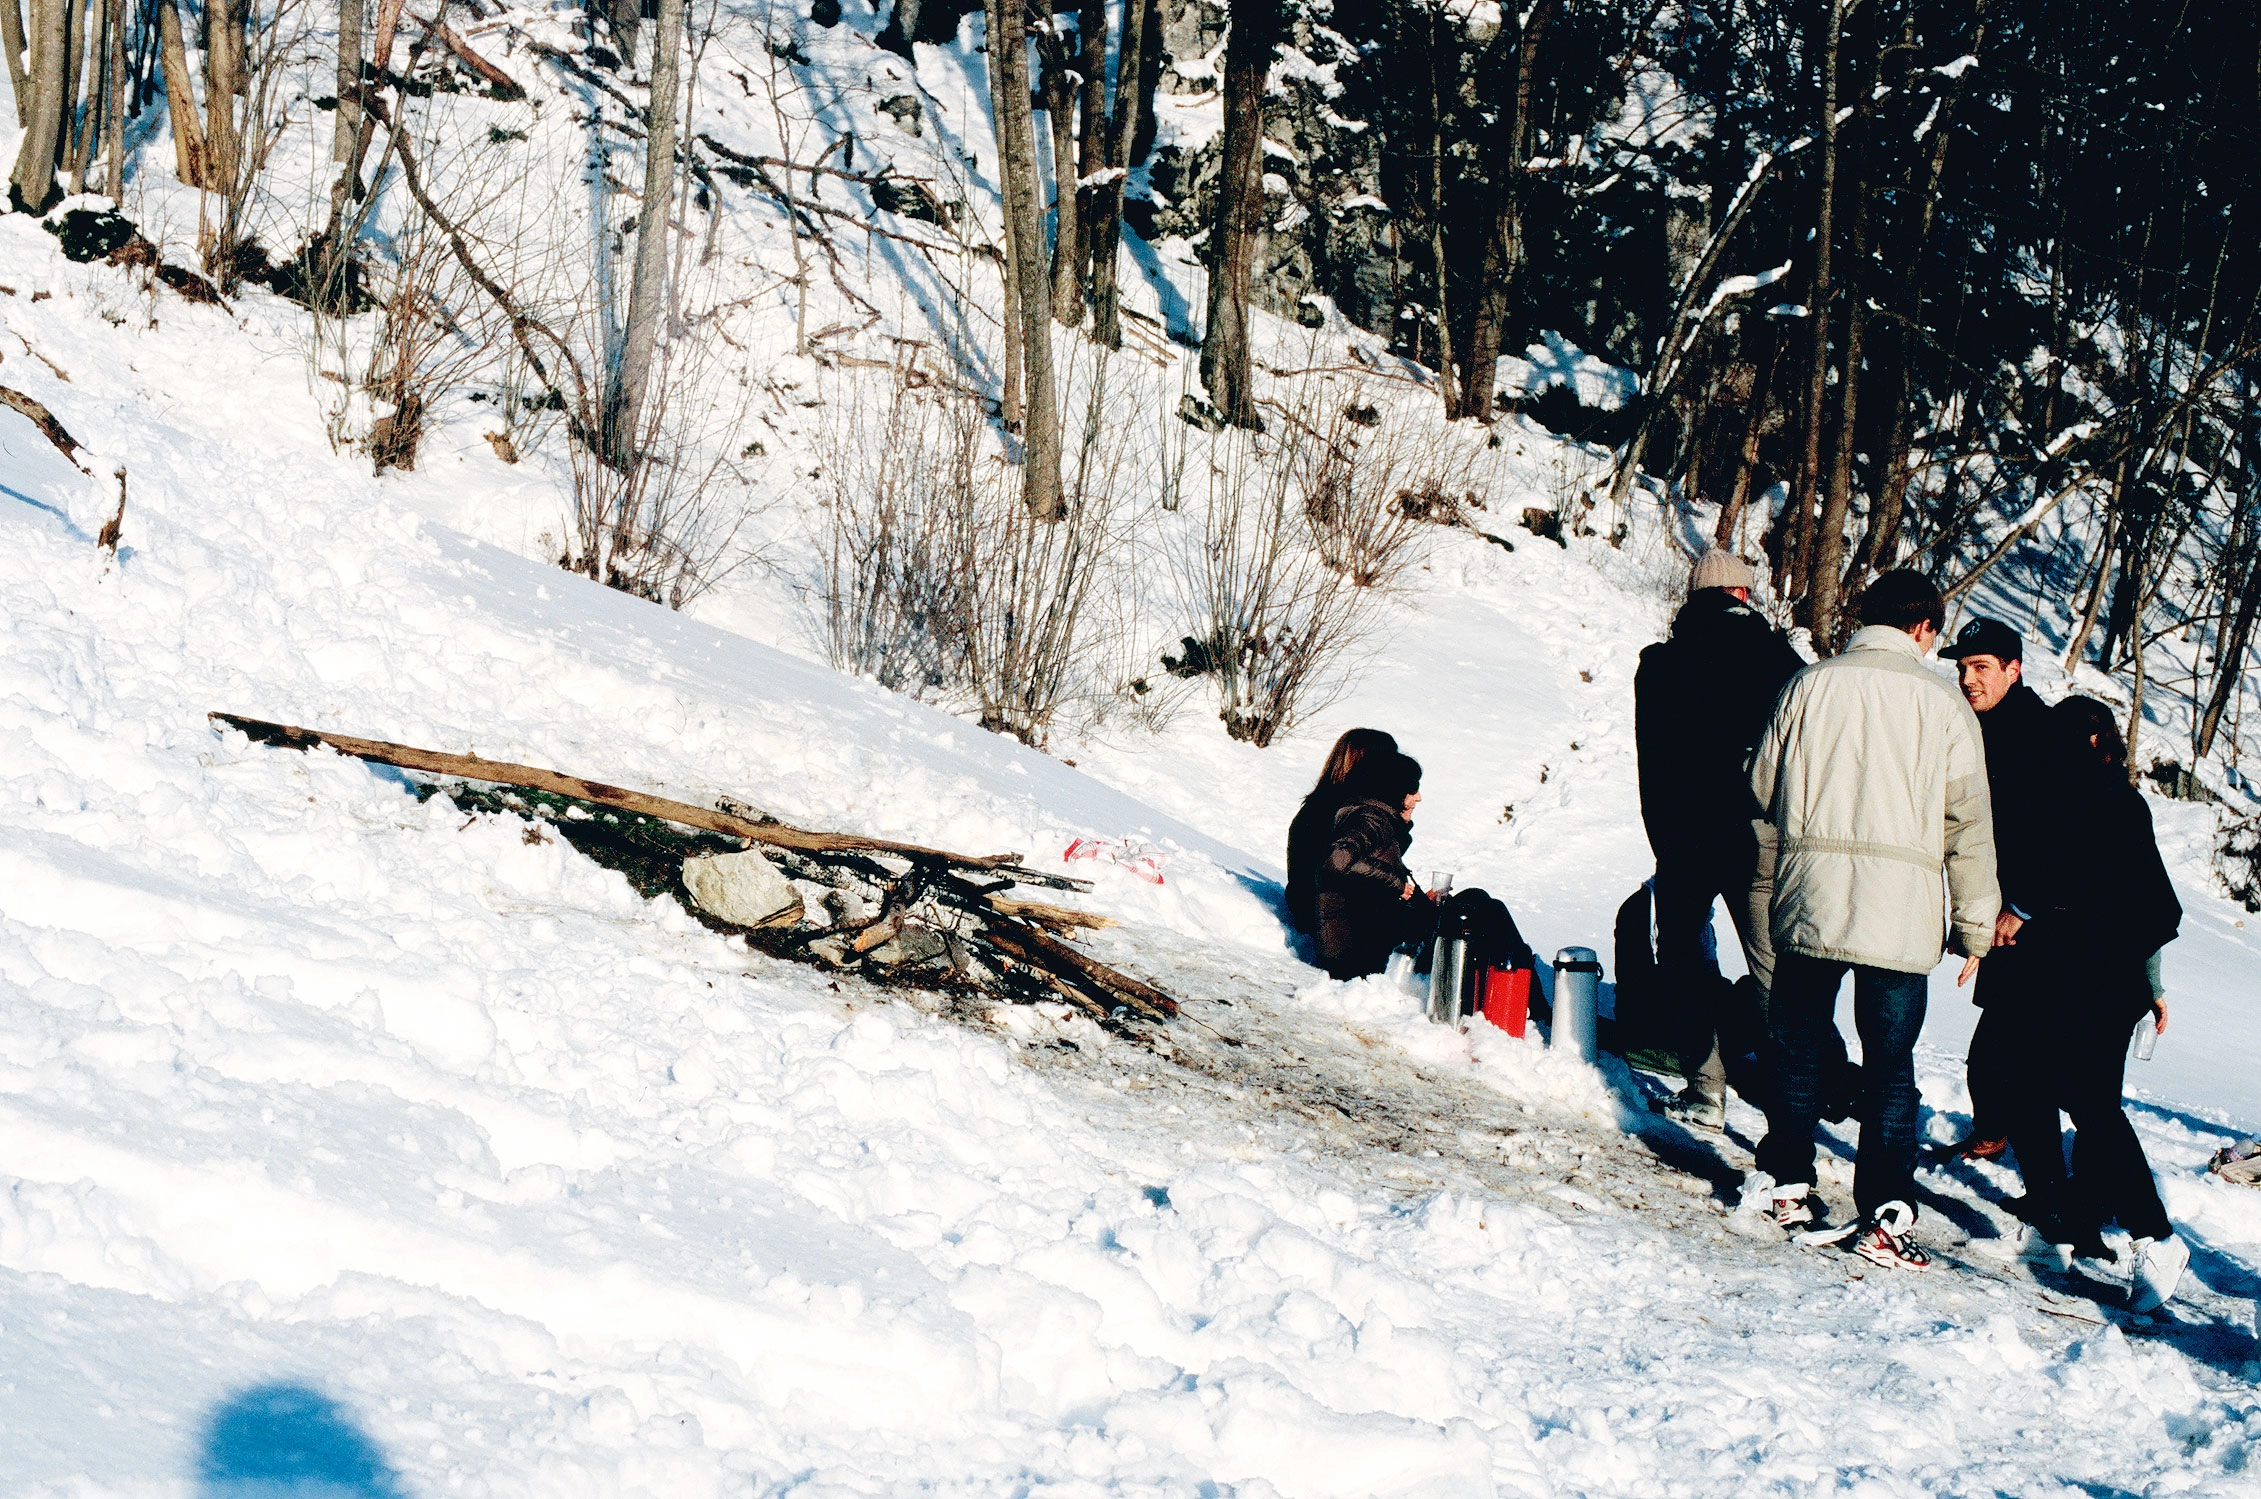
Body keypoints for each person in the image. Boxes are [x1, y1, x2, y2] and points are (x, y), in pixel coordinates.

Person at [1742, 569, 1999, 1271]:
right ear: (1922, 629)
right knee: (1890, 1065)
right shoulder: (1944, 706)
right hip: (1900, 911)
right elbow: (1967, 825)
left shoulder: (1807, 685)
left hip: (1811, 897)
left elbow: (1760, 785)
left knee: (1795, 1047)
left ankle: (1789, 1181)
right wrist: (1975, 927)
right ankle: (1885, 1207)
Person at [2004, 696, 2187, 1312]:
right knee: (2029, 1084)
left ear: (2097, 745)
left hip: (2100, 979)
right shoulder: (2078, 794)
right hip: (2069, 971)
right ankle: (2058, 1220)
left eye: (2073, 740)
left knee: (2089, 1104)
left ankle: (2156, 1235)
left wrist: (2025, 909)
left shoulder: (2107, 800)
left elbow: (2113, 893)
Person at [1634, 548, 1809, 1130]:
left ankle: (1706, 1091)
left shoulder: (1660, 664)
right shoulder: (1780, 660)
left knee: (1686, 960)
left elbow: (1651, 763)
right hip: (1756, 832)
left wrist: (1663, 836)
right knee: (1773, 965)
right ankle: (1796, 1092)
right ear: (1742, 596)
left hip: (1683, 835)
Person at [1937, 618, 2071, 1161]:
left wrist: (2021, 907)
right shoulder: (1975, 725)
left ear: (2013, 671)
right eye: (1963, 668)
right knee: (2006, 1045)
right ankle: (2002, 1134)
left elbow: (2062, 836)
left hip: (2045, 921)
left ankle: (2057, 1175)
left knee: (2014, 1051)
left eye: (1982, 668)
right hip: (2002, 912)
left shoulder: (2040, 734)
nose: (1969, 679)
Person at [1315, 751, 1436, 980]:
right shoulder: (1370, 819)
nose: (1418, 798)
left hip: (1362, 936)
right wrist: (1396, 883)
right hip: (1351, 950)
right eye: (1412, 790)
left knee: (1470, 907)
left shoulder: (1378, 819)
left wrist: (1418, 900)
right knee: (1474, 909)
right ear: (1395, 789)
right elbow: (1337, 859)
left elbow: (1374, 877)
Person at [1286, 729, 1398, 936]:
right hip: (1327, 917)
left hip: (1316, 906)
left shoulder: (1326, 803)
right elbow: (1338, 865)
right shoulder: (1345, 810)